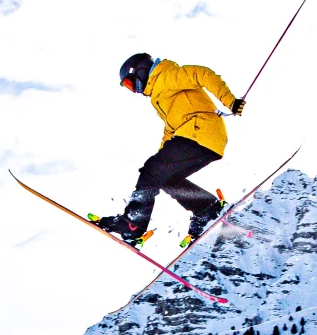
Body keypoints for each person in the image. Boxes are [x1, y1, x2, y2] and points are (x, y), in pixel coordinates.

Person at [95, 53, 245, 246]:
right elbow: (170, 131)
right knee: (164, 178)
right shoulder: (159, 96)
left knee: (152, 172)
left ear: (140, 71)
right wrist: (158, 161)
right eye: (129, 88)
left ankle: (133, 223)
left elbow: (202, 74)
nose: (134, 91)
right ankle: (206, 209)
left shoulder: (166, 76)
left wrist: (230, 101)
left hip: (199, 131)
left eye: (131, 84)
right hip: (203, 137)